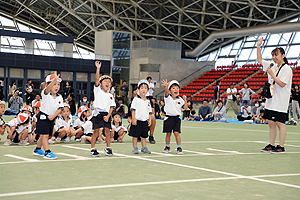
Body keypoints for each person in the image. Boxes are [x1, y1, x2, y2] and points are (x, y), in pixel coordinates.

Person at [257, 37, 292, 153]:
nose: (274, 57)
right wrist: (258, 46)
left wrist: (272, 74)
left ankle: (281, 146)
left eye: (276, 55)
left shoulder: (287, 69)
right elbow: (259, 59)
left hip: (281, 101)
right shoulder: (272, 65)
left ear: (283, 55)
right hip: (271, 100)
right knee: (271, 123)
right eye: (273, 55)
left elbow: (282, 84)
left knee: (280, 123)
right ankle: (271, 145)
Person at [33, 72, 63, 159]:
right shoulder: (45, 94)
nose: (56, 86)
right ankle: (47, 152)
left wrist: (54, 116)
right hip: (43, 117)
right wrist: (54, 80)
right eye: (54, 84)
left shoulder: (59, 97)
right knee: (45, 135)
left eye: (58, 84)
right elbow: (47, 89)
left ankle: (37, 149)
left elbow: (60, 109)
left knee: (43, 135)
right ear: (48, 85)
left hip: (51, 118)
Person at [90, 61, 116, 157]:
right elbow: (97, 79)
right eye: (105, 81)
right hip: (98, 114)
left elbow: (112, 107)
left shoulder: (110, 95)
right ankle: (93, 149)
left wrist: (108, 116)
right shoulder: (97, 91)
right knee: (96, 131)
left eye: (109, 82)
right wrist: (98, 68)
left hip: (106, 115)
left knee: (107, 131)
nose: (107, 83)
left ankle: (108, 148)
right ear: (100, 83)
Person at [161, 79, 187, 155]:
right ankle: (167, 146)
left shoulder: (180, 99)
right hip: (168, 118)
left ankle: (179, 147)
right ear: (170, 90)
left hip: (177, 119)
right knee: (168, 134)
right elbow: (166, 92)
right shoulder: (167, 98)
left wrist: (185, 100)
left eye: (177, 88)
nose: (176, 89)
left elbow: (185, 108)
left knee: (176, 133)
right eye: (173, 88)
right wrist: (166, 86)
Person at [129, 80, 152, 154]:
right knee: (135, 135)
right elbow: (133, 110)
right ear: (138, 89)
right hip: (137, 120)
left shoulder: (148, 101)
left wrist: (150, 120)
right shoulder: (136, 99)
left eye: (145, 88)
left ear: (148, 90)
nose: (143, 89)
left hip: (145, 121)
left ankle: (144, 147)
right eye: (142, 88)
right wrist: (133, 119)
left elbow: (150, 112)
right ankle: (135, 147)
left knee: (144, 135)